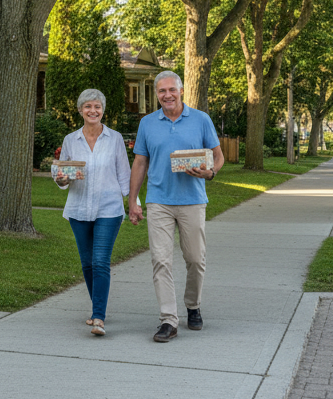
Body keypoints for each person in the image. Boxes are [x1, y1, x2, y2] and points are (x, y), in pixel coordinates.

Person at [127, 70, 223, 343]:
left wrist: (211, 173)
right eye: (161, 91)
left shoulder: (201, 120)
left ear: (181, 91)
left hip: (192, 200)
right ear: (156, 94)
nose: (167, 95)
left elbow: (218, 156)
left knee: (195, 259)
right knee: (161, 260)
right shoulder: (147, 123)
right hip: (158, 201)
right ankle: (168, 319)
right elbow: (140, 163)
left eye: (171, 90)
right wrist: (133, 200)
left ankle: (193, 305)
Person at [55, 88, 131, 337]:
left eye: (97, 106)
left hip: (109, 209)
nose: (93, 111)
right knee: (87, 263)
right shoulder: (70, 140)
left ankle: (99, 316)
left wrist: (134, 203)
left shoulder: (115, 138)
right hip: (78, 209)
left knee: (100, 261)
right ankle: (96, 308)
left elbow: (124, 175)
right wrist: (62, 178)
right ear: (80, 110)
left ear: (103, 110)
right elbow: (61, 176)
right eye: (88, 106)